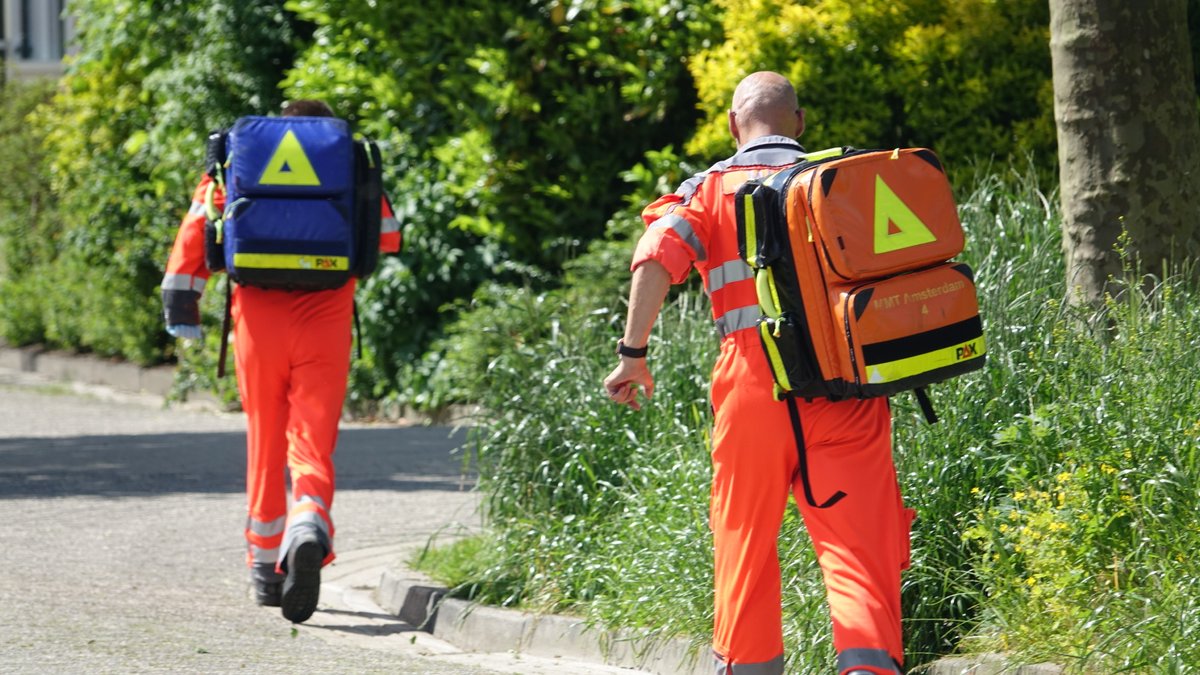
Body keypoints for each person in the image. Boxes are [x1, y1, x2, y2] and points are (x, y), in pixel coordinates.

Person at [603, 72, 913, 675]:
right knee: (859, 547)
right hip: (846, 383)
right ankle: (870, 667)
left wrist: (632, 354)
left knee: (744, 538)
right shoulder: (841, 178)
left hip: (751, 383)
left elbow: (654, 257)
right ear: (800, 121)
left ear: (732, 125)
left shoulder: (706, 192)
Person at [160, 99, 401, 624]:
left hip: (257, 322)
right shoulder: (348, 163)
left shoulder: (242, 158)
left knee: (266, 439)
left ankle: (265, 569)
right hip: (326, 319)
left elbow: (198, 227)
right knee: (311, 440)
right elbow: (388, 237)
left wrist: (182, 304)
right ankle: (308, 523)